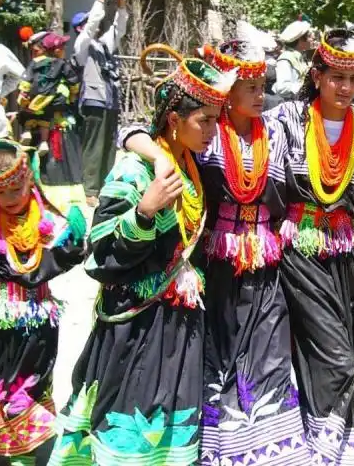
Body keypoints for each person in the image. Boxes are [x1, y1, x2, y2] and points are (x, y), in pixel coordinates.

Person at [119, 40, 310, 465]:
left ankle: (275, 451)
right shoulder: (205, 132)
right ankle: (224, 450)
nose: (261, 94)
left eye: (264, 85)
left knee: (270, 349)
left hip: (265, 262)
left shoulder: (276, 130)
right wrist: (158, 159)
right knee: (221, 354)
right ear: (227, 91)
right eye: (251, 86)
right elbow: (131, 131)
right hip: (217, 265)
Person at [49, 57, 232, 466]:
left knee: (170, 432)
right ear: (173, 119)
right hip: (135, 328)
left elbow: (133, 133)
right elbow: (100, 256)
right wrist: (144, 213)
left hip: (178, 325)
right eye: (204, 120)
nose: (212, 131)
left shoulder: (190, 166)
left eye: (216, 120)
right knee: (129, 427)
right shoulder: (135, 172)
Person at [267, 29, 354, 465]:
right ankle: (325, 449)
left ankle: (331, 444)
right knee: (336, 358)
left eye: (353, 80)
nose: (346, 89)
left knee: (341, 348)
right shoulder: (287, 118)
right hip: (300, 251)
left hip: (343, 252)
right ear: (317, 76)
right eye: (336, 78)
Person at [0, 140, 86, 463]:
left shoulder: (48, 219)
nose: (10, 200)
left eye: (17, 190)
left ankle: (27, 449)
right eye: (2, 193)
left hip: (37, 321)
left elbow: (71, 253)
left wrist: (74, 239)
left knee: (31, 384)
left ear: (30, 181)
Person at [73, 0, 128, 208]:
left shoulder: (103, 44)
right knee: (94, 146)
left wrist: (121, 5)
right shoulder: (81, 46)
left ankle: (106, 185)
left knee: (109, 145)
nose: (94, 25)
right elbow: (93, 23)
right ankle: (91, 189)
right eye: (87, 23)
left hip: (110, 99)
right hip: (94, 99)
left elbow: (119, 29)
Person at [19, 31, 86, 213]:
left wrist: (24, 95)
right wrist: (71, 95)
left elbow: (24, 83)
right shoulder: (61, 66)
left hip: (37, 110)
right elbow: (74, 84)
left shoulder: (34, 65)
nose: (64, 50)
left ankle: (29, 133)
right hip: (54, 119)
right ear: (55, 50)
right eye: (61, 47)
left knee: (32, 122)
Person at [272, 20, 313, 100]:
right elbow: (282, 88)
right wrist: (307, 86)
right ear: (300, 40)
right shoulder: (286, 58)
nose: (312, 39)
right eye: (309, 36)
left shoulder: (300, 56)